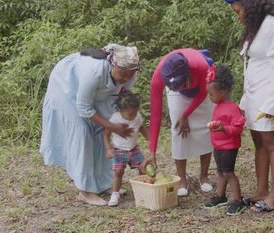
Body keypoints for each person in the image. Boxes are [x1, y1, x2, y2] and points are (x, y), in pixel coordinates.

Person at [223, 0, 274, 213]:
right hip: (255, 93)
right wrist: (247, 97)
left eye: (238, 10)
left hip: (270, 94)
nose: (237, 16)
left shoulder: (272, 25)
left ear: (250, 5)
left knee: (273, 144)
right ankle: (262, 190)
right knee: (259, 144)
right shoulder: (256, 27)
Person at [40, 44, 140, 206]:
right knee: (83, 133)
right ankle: (85, 190)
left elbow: (122, 94)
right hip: (66, 85)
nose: (125, 79)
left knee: (102, 130)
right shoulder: (94, 72)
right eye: (122, 74)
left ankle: (103, 183)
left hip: (99, 94)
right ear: (113, 65)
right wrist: (114, 127)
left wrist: (122, 122)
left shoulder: (130, 72)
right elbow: (84, 108)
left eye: (130, 75)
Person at [147, 49, 215, 196]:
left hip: (201, 88)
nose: (177, 88)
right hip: (181, 88)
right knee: (178, 129)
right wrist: (152, 152)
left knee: (205, 128)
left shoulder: (201, 66)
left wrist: (186, 115)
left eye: (180, 84)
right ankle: (182, 179)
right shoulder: (159, 76)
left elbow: (203, 93)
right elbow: (155, 114)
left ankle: (204, 176)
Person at [203, 65, 246, 216]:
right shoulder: (218, 106)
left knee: (228, 172)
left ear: (222, 92)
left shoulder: (233, 108)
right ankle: (220, 196)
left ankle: (238, 200)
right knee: (220, 171)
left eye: (211, 94)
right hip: (218, 146)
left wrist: (224, 129)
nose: (210, 97)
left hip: (229, 147)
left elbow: (238, 129)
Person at [103, 92, 149, 207]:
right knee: (118, 172)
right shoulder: (115, 118)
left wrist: (150, 139)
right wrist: (109, 148)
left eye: (135, 112)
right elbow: (106, 134)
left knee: (143, 168)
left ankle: (144, 188)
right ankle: (115, 194)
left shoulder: (137, 116)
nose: (134, 115)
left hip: (134, 149)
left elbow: (142, 128)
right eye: (131, 113)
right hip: (119, 149)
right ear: (122, 110)